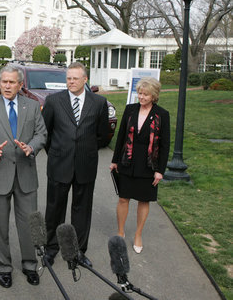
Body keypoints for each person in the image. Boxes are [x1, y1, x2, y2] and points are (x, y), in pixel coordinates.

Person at [0, 64, 47, 289]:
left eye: (11, 82)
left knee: (29, 224)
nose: (6, 86)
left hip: (26, 174)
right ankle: (4, 267)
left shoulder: (33, 107)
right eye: (3, 81)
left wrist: (31, 147)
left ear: (20, 85)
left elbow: (41, 134)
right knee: (0, 225)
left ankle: (30, 265)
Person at [42, 61, 109, 267]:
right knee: (54, 210)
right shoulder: (54, 101)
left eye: (75, 78)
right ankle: (51, 248)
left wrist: (85, 151)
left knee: (82, 211)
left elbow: (103, 135)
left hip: (85, 166)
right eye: (68, 78)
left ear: (85, 80)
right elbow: (46, 132)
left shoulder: (99, 103)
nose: (71, 82)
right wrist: (57, 152)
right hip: (59, 164)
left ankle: (77, 252)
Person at [110, 77, 170, 254]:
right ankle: (120, 232)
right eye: (140, 93)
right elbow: (120, 137)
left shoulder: (162, 115)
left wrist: (160, 171)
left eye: (146, 94)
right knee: (123, 198)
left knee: (144, 200)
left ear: (154, 96)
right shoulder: (130, 110)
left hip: (149, 163)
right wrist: (114, 160)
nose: (141, 97)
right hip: (127, 160)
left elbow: (165, 145)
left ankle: (138, 234)